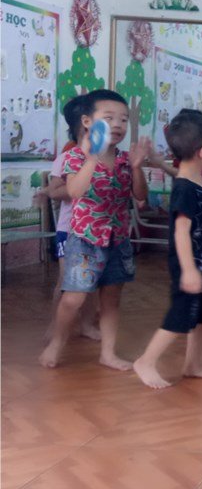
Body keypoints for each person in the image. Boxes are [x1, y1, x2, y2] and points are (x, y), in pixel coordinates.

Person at [39, 90, 150, 370]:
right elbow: (75, 191)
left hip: (118, 239)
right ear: (87, 122)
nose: (118, 125)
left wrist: (137, 168)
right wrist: (92, 159)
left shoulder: (125, 160)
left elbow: (140, 196)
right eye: (109, 118)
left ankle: (108, 354)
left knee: (111, 300)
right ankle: (57, 343)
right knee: (73, 298)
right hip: (85, 240)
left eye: (123, 119)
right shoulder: (75, 156)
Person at [133, 110, 202, 389]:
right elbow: (181, 231)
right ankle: (146, 361)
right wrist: (188, 270)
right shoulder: (185, 188)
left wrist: (158, 162)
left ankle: (192, 365)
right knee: (181, 315)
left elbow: (182, 174)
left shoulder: (197, 180)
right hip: (191, 265)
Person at [36, 93, 100, 341]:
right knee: (66, 280)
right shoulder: (67, 158)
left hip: (97, 229)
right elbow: (55, 191)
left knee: (93, 281)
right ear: (85, 125)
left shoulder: (107, 158)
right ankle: (55, 326)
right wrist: (81, 184)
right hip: (70, 230)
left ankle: (86, 325)